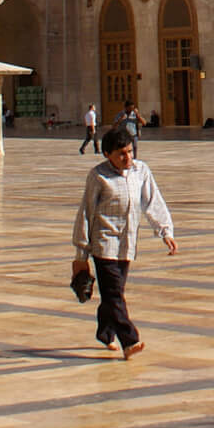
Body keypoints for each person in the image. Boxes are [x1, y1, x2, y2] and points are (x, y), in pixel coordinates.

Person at [72, 127, 177, 360]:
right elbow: (86, 212)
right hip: (104, 242)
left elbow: (152, 201)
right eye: (121, 153)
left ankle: (105, 332)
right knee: (113, 293)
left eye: (130, 151)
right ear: (107, 154)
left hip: (127, 243)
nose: (127, 157)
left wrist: (165, 231)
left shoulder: (141, 171)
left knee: (114, 293)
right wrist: (81, 253)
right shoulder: (98, 176)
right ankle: (130, 340)